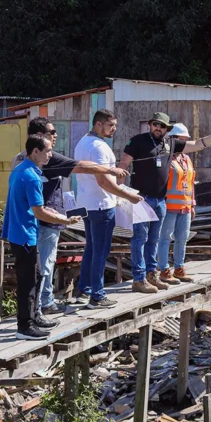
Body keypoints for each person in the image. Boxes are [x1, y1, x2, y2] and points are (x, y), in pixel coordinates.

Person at [11, 117, 129, 316]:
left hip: (30, 222)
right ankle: (41, 307)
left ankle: (43, 304)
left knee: (38, 267)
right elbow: (82, 166)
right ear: (39, 137)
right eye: (51, 132)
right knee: (45, 266)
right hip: (47, 219)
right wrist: (111, 169)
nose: (55, 136)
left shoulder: (20, 158)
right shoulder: (45, 158)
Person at [118, 112, 211, 294]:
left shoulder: (170, 143)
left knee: (154, 240)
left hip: (160, 200)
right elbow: (123, 165)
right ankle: (138, 279)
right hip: (140, 198)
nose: (159, 128)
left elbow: (197, 144)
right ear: (150, 124)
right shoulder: (138, 140)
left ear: (167, 129)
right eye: (156, 124)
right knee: (140, 239)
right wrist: (120, 191)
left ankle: (151, 275)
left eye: (163, 126)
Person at [2, 134, 82, 340]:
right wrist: (65, 221)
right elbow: (38, 212)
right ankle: (24, 326)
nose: (50, 155)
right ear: (35, 151)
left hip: (18, 232)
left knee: (36, 275)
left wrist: (57, 216)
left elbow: (36, 207)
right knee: (28, 280)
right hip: (24, 234)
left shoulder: (20, 170)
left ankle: (33, 316)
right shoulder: (31, 176)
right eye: (47, 151)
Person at [74, 110, 142, 309]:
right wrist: (128, 195)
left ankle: (84, 290)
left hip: (86, 203)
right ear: (98, 124)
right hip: (101, 204)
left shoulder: (82, 142)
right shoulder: (99, 147)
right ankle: (97, 295)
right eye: (111, 125)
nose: (114, 129)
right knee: (100, 252)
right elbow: (103, 180)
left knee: (91, 248)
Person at [155, 123, 197, 285]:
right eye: (182, 140)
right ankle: (164, 269)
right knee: (165, 238)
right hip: (169, 206)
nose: (185, 143)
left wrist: (192, 205)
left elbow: (191, 183)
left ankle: (179, 268)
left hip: (185, 206)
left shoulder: (186, 159)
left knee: (182, 238)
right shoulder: (165, 158)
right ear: (173, 140)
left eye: (186, 140)